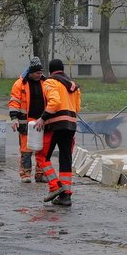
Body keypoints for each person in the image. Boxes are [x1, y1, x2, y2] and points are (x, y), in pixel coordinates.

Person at [34, 59, 81, 207]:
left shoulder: (50, 82)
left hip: (55, 125)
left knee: (41, 156)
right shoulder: (73, 86)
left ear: (50, 71)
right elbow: (77, 107)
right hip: (71, 126)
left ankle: (55, 186)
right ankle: (66, 196)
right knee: (65, 159)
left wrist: (43, 118)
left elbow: (54, 102)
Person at [7, 57, 47, 183]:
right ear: (31, 72)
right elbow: (14, 101)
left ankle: (40, 174)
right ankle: (25, 174)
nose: (40, 75)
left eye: (41, 73)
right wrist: (14, 118)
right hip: (26, 122)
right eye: (37, 73)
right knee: (26, 150)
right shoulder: (20, 84)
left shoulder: (45, 82)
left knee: (41, 149)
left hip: (42, 121)